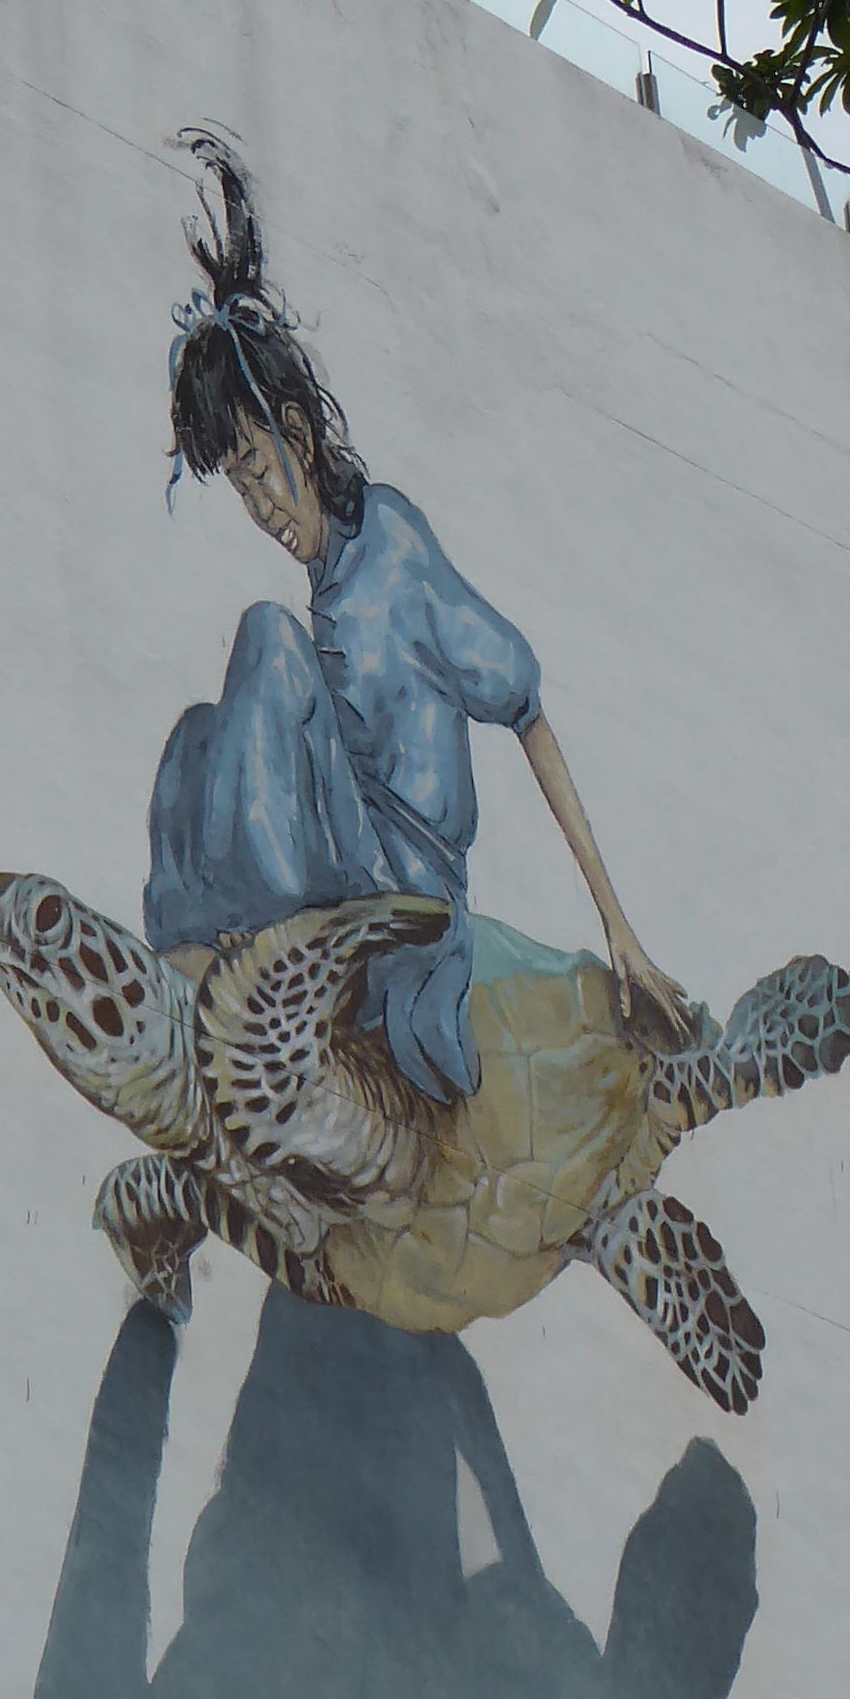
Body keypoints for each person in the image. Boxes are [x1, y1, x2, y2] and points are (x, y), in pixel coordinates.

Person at [144, 133, 690, 1104]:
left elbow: (526, 710)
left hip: (408, 903)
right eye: (241, 489)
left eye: (262, 472)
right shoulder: (330, 580)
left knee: (265, 643)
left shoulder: (390, 545)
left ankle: (267, 953)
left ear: (298, 435)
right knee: (196, 735)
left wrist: (621, 930)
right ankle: (205, 951)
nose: (262, 509)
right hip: (351, 864)